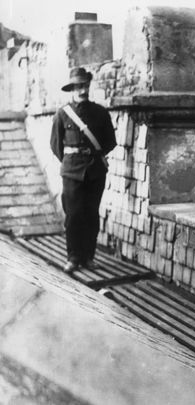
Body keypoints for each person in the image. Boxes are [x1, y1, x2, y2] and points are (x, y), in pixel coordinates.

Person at [50, 67, 116, 273]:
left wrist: (91, 155)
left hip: (95, 172)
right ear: (72, 89)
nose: (82, 90)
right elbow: (56, 145)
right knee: (73, 215)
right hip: (71, 172)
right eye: (78, 86)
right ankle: (73, 257)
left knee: (91, 214)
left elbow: (109, 142)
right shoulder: (62, 114)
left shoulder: (100, 113)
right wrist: (71, 160)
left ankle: (88, 257)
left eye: (85, 85)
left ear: (88, 86)